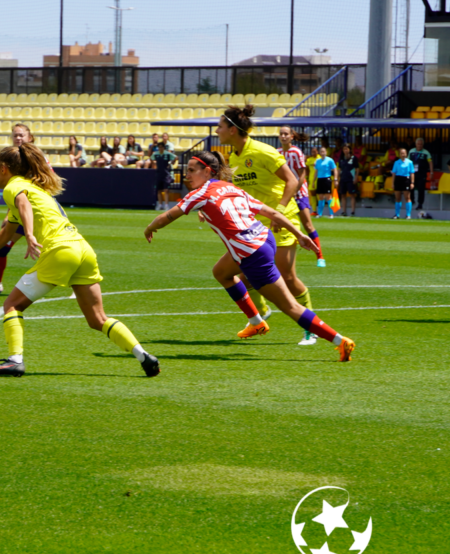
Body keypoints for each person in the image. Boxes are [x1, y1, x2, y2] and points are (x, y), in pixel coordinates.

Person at [143, 151, 355, 362]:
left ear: (207, 171)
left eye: (191, 170)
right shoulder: (231, 188)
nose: (186, 175)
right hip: (265, 239)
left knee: (290, 306)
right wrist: (299, 234)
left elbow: (167, 216)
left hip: (251, 253)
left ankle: (339, 341)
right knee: (221, 272)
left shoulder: (199, 194)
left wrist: (150, 227)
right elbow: (271, 213)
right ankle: (256, 322)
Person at [0, 143, 160, 378]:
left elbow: (23, 204)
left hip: (60, 250)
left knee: (11, 305)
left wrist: (29, 234)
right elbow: (7, 232)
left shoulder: (14, 186)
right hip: (82, 249)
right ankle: (144, 356)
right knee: (98, 319)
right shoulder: (35, 188)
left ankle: (15, 360)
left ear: (4, 168)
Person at [217, 104, 323, 347]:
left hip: (281, 220)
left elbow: (292, 180)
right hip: (254, 225)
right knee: (242, 274)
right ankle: (262, 312)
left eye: (220, 126)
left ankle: (311, 329)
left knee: (287, 276)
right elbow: (234, 190)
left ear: (232, 130)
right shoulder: (233, 157)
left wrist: (280, 211)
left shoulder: (263, 151)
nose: (216, 131)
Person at [0, 123, 40, 295]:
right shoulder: (14, 157)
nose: (18, 138)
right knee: (3, 246)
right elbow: (18, 194)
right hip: (20, 211)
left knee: (52, 247)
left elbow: (32, 189)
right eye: (15, 135)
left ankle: (75, 283)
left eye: (21, 135)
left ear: (30, 138)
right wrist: (9, 214)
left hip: (36, 211)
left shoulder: (35, 158)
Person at [278, 125, 325, 266]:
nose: (283, 136)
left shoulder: (296, 152)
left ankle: (320, 256)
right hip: (285, 193)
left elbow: (302, 174)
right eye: (281, 134)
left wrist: (294, 190)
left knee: (308, 225)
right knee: (279, 224)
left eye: (286, 134)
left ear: (292, 136)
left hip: (299, 193)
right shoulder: (277, 152)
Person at [408, 137, 434, 216]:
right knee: (411, 187)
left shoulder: (426, 152)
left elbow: (430, 162)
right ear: (416, 144)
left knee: (421, 189)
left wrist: (431, 172)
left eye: (421, 144)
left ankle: (420, 204)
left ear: (423, 145)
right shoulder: (411, 151)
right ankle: (412, 200)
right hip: (412, 173)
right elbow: (408, 161)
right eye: (418, 144)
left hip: (422, 173)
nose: (419, 145)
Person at [313, 147, 337, 219]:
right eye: (321, 151)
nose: (322, 153)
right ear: (319, 153)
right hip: (320, 179)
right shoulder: (317, 161)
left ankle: (331, 214)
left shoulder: (330, 160)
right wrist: (314, 181)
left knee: (328, 196)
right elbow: (316, 171)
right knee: (320, 197)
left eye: (323, 151)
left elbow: (335, 169)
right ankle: (320, 214)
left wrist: (335, 179)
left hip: (327, 179)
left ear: (326, 152)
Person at [152, 142, 176, 211]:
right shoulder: (156, 154)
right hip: (159, 174)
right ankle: (160, 205)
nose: (160, 148)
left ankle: (166, 205)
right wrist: (153, 164)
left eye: (161, 147)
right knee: (159, 190)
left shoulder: (168, 154)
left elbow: (175, 157)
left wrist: (171, 162)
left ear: (164, 148)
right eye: (159, 147)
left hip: (166, 174)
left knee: (166, 190)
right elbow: (151, 158)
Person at [391, 148, 414, 219]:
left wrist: (412, 182)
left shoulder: (410, 162)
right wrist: (393, 183)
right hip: (398, 179)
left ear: (406, 154)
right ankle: (397, 215)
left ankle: (408, 215)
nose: (403, 154)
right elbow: (394, 173)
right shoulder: (396, 162)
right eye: (401, 153)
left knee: (407, 197)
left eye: (404, 153)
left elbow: (412, 173)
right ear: (399, 154)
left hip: (406, 179)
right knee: (397, 197)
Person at [337, 144, 359, 217]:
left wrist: (356, 177)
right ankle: (344, 211)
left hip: (351, 179)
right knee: (343, 195)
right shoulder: (341, 159)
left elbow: (357, 168)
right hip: (343, 179)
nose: (345, 150)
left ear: (349, 149)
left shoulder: (353, 158)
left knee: (352, 195)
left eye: (346, 149)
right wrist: (337, 179)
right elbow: (339, 169)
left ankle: (352, 212)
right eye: (344, 149)